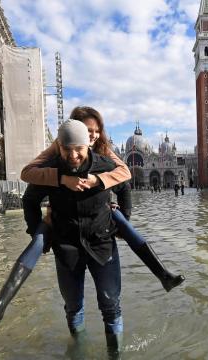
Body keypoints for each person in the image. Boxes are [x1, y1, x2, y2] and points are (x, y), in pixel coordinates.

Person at [0, 108, 184, 324]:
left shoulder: (103, 153)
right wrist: (61, 180)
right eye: (86, 130)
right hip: (65, 234)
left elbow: (125, 178)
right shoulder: (58, 151)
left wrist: (100, 183)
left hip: (100, 230)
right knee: (44, 247)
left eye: (95, 131)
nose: (91, 135)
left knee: (117, 224)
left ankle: (163, 275)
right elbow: (28, 179)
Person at [22, 120, 126, 355]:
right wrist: (36, 232)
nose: (73, 155)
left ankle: (116, 354)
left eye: (77, 148)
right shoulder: (49, 170)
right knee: (73, 307)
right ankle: (78, 353)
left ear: (88, 145)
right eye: (66, 149)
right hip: (66, 246)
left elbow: (124, 186)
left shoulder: (104, 165)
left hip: (102, 244)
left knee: (111, 305)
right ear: (58, 147)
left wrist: (122, 221)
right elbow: (29, 200)